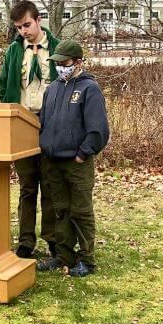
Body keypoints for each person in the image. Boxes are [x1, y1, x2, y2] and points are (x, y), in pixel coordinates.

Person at [36, 39, 110, 277]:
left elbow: (98, 129)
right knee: (61, 210)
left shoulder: (89, 89)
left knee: (81, 211)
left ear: (77, 62)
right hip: (53, 161)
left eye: (64, 63)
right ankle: (63, 255)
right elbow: (44, 122)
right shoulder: (53, 88)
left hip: (77, 162)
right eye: (56, 63)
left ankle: (87, 259)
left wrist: (83, 153)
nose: (60, 67)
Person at [0, 0, 60, 259]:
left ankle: (53, 239)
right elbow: (5, 85)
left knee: (50, 184)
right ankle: (25, 241)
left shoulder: (56, 48)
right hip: (23, 124)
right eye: (18, 27)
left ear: (38, 20)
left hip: (50, 124)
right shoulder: (14, 51)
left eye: (26, 25)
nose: (23, 31)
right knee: (27, 186)